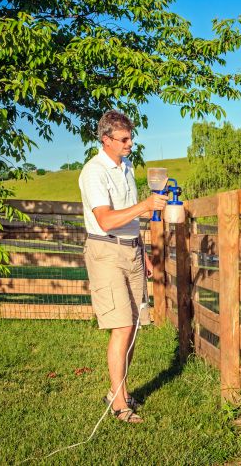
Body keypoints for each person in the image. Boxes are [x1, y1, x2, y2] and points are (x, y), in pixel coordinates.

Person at [78, 110, 168, 424]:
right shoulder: (94, 172)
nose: (130, 143)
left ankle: (119, 390)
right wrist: (146, 205)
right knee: (122, 326)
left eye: (131, 137)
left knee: (134, 327)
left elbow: (127, 218)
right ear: (106, 140)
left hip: (130, 250)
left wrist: (140, 249)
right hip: (105, 251)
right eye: (124, 139)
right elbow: (105, 220)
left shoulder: (126, 166)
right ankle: (119, 404)